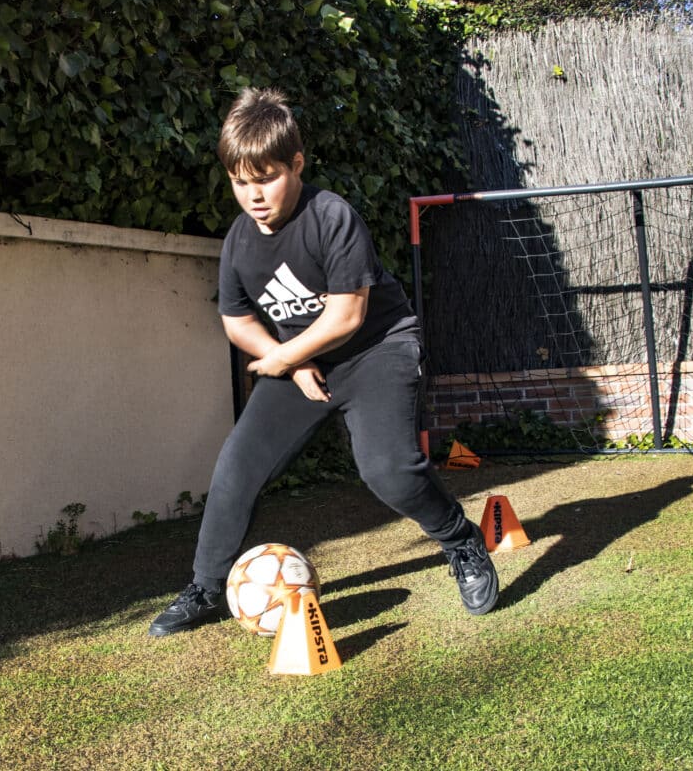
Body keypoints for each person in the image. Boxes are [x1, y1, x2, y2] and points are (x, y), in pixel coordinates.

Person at [148, 87, 498, 637]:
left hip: (376, 351)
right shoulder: (238, 242)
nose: (254, 195)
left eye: (266, 178)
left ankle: (462, 541)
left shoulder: (330, 215)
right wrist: (288, 362)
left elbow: (347, 315)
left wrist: (289, 354)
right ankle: (206, 587)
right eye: (241, 181)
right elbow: (236, 322)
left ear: (297, 164)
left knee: (388, 470)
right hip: (301, 363)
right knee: (236, 467)